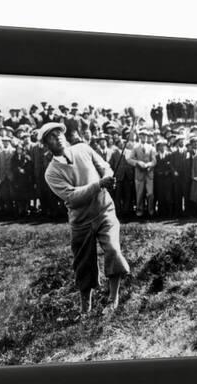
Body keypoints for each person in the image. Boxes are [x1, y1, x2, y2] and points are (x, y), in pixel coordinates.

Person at [41, 122, 130, 314]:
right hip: (81, 221)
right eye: (52, 137)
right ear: (46, 145)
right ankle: (85, 309)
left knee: (113, 251)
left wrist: (108, 176)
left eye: (59, 134)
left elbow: (105, 167)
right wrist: (99, 184)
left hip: (104, 210)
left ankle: (113, 300)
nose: (58, 137)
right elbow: (72, 196)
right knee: (83, 264)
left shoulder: (83, 148)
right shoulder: (51, 172)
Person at [128, 129, 156, 217]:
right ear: (139, 136)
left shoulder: (151, 147)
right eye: (142, 135)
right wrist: (137, 163)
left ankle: (150, 211)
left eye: (146, 135)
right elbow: (129, 159)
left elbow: (154, 161)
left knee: (150, 194)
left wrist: (149, 164)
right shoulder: (135, 147)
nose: (144, 137)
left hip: (148, 174)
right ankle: (139, 211)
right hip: (139, 173)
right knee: (139, 194)